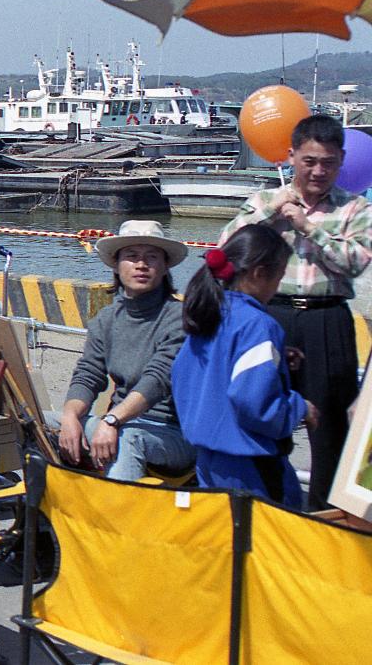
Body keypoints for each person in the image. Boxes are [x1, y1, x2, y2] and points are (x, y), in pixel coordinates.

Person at [220, 115, 372, 510]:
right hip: (271, 317)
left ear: (341, 160)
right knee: (260, 413)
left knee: (330, 426)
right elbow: (225, 251)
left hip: (327, 318)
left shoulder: (355, 207)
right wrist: (273, 215)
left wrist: (308, 227)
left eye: (328, 162)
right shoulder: (263, 200)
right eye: (309, 161)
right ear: (291, 157)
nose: (318, 171)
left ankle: (325, 515)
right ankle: (263, 508)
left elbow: (355, 262)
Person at [172, 225, 317, 507]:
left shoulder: (210, 312)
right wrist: (300, 407)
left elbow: (186, 374)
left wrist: (278, 362)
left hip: (207, 459)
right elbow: (253, 401)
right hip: (251, 464)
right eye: (278, 277)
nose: (277, 287)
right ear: (259, 273)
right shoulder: (259, 324)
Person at [55, 220, 195, 482]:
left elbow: (157, 379)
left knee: (126, 439)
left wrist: (112, 420)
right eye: (131, 256)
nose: (141, 265)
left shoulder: (179, 318)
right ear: (117, 266)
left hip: (170, 432)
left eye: (151, 257)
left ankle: (116, 519)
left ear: (165, 268)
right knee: (40, 423)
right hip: (118, 421)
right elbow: (88, 374)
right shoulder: (106, 319)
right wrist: (70, 416)